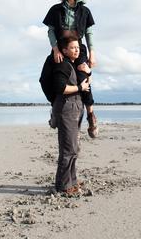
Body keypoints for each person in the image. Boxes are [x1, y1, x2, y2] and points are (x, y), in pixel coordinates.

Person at [42, 0, 99, 138]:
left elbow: (89, 33)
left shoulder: (85, 11)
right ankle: (55, 111)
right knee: (47, 78)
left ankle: (90, 115)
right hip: (60, 48)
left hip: (78, 48)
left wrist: (92, 54)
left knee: (84, 76)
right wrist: (55, 49)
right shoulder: (56, 9)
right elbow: (50, 30)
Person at [52, 36, 91, 194]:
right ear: (65, 50)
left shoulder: (73, 65)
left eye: (78, 47)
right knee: (68, 149)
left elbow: (87, 84)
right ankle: (63, 186)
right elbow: (61, 88)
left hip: (75, 108)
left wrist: (89, 72)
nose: (77, 50)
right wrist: (80, 88)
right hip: (66, 109)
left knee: (74, 148)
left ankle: (72, 181)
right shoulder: (63, 65)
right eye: (73, 47)